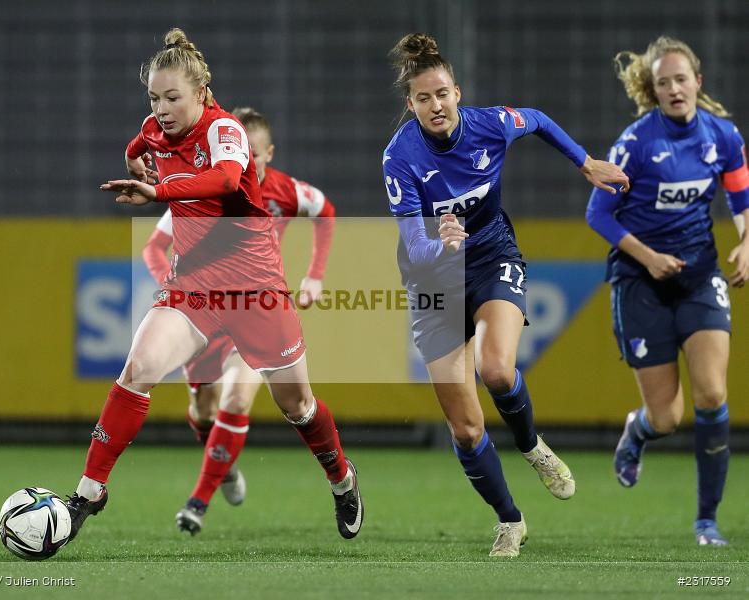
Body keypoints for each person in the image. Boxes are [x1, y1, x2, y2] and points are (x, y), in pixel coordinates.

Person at [63, 28, 362, 544]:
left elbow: (225, 180)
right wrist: (134, 159)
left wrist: (156, 188)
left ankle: (341, 478)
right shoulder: (154, 128)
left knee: (299, 407)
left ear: (201, 94)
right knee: (137, 369)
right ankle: (89, 492)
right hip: (194, 288)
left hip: (256, 290)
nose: (161, 108)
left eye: (172, 97)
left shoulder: (225, 131)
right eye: (154, 97)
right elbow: (137, 143)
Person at [383, 33, 629, 557]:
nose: (435, 105)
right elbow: (415, 247)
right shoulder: (400, 157)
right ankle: (510, 521)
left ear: (457, 92)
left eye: (443, 93)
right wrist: (440, 243)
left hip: (493, 256)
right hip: (432, 281)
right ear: (411, 105)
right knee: (467, 428)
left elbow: (537, 118)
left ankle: (532, 445)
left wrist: (585, 163)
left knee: (496, 369)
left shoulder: (489, 124)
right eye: (423, 98)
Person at [141, 106, 337, 533]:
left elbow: (326, 211)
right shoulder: (200, 191)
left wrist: (315, 275)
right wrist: (175, 289)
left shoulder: (287, 191)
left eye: (255, 152)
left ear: (268, 152)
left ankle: (197, 503)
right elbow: (154, 248)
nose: (246, 157)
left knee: (238, 398)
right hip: (203, 310)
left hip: (252, 307)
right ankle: (223, 465)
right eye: (237, 149)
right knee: (203, 410)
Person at [586, 36, 749, 546]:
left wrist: (747, 242)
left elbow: (741, 198)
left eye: (682, 79)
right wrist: (649, 258)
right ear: (653, 91)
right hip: (641, 283)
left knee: (713, 393)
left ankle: (706, 522)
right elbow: (597, 213)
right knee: (666, 417)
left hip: (699, 278)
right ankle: (638, 432)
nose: (674, 89)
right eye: (664, 83)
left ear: (698, 83)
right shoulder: (634, 144)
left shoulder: (722, 136)